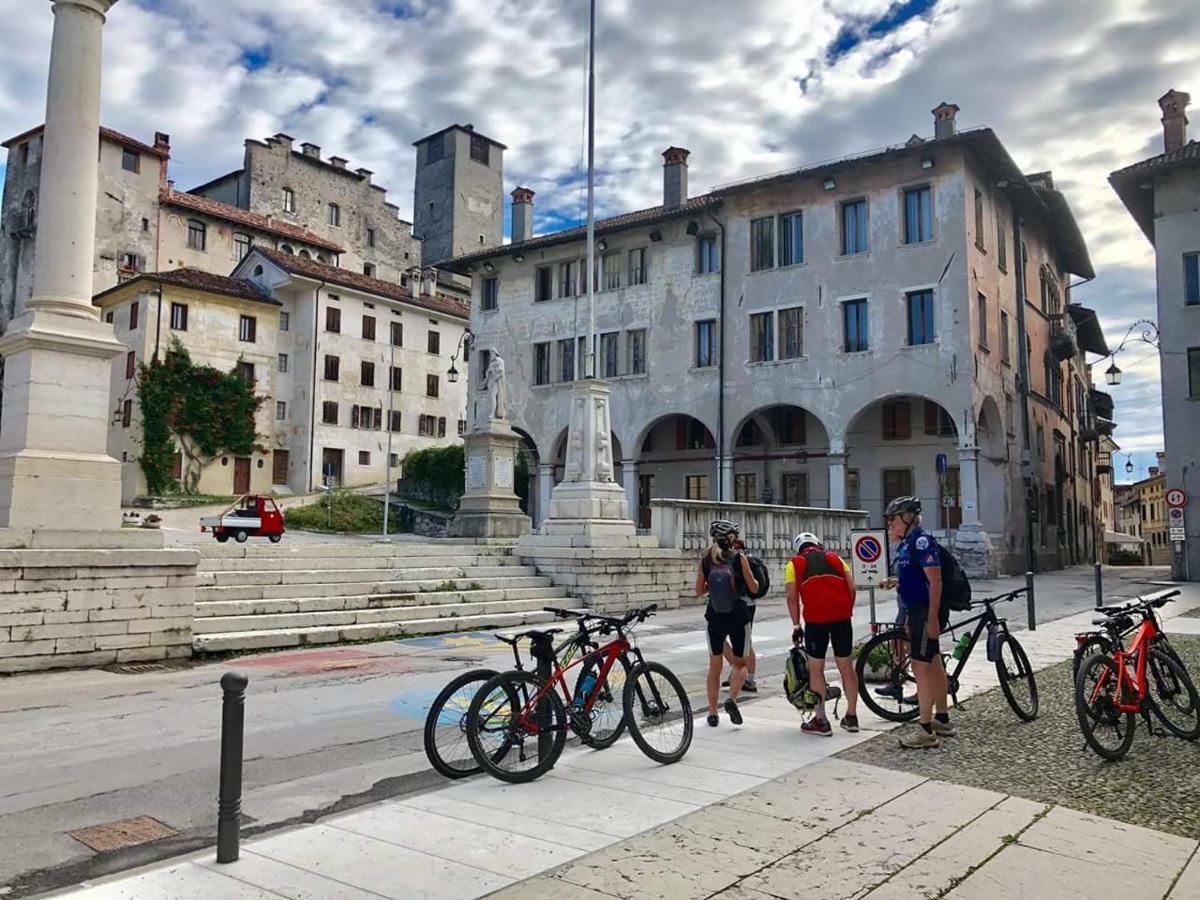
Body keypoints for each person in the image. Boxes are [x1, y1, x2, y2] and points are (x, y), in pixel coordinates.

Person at [885, 496, 954, 748]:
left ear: (908, 517)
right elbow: (914, 578)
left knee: (920, 668)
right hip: (916, 611)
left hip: (925, 611)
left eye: (893, 519)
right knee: (933, 663)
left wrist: (932, 618)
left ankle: (925, 730)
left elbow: (935, 582)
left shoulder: (921, 541)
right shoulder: (907, 544)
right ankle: (943, 718)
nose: (890, 524)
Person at [785, 532, 859, 736]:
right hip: (842, 618)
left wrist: (796, 625)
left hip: (816, 621)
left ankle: (821, 721)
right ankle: (851, 717)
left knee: (816, 669)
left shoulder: (795, 564)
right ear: (818, 544)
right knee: (846, 667)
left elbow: (791, 598)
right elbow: (851, 588)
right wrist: (846, 611)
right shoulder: (835, 558)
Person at [696, 520, 758, 727]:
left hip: (714, 616)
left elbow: (699, 590)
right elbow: (754, 588)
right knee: (741, 664)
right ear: (732, 538)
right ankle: (731, 699)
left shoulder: (705, 558)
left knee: (714, 666)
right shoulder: (739, 558)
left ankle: (712, 713)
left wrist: (712, 587)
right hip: (738, 617)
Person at [722, 535, 757, 693]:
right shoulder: (731, 557)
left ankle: (749, 678)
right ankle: (738, 672)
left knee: (745, 642)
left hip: (744, 605)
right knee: (732, 641)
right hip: (737, 605)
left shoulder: (741, 558)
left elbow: (753, 586)